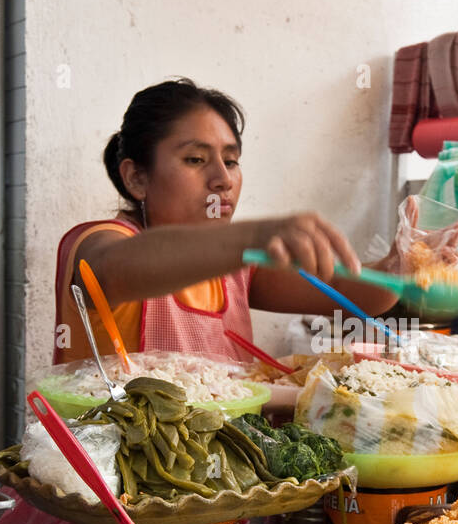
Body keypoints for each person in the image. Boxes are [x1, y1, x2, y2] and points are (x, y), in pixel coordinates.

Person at [54, 78, 397, 363]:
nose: (223, 179)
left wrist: (404, 263)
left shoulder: (236, 265)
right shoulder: (99, 242)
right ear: (137, 178)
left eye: (231, 161)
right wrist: (254, 235)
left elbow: (352, 294)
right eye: (195, 159)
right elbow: (118, 269)